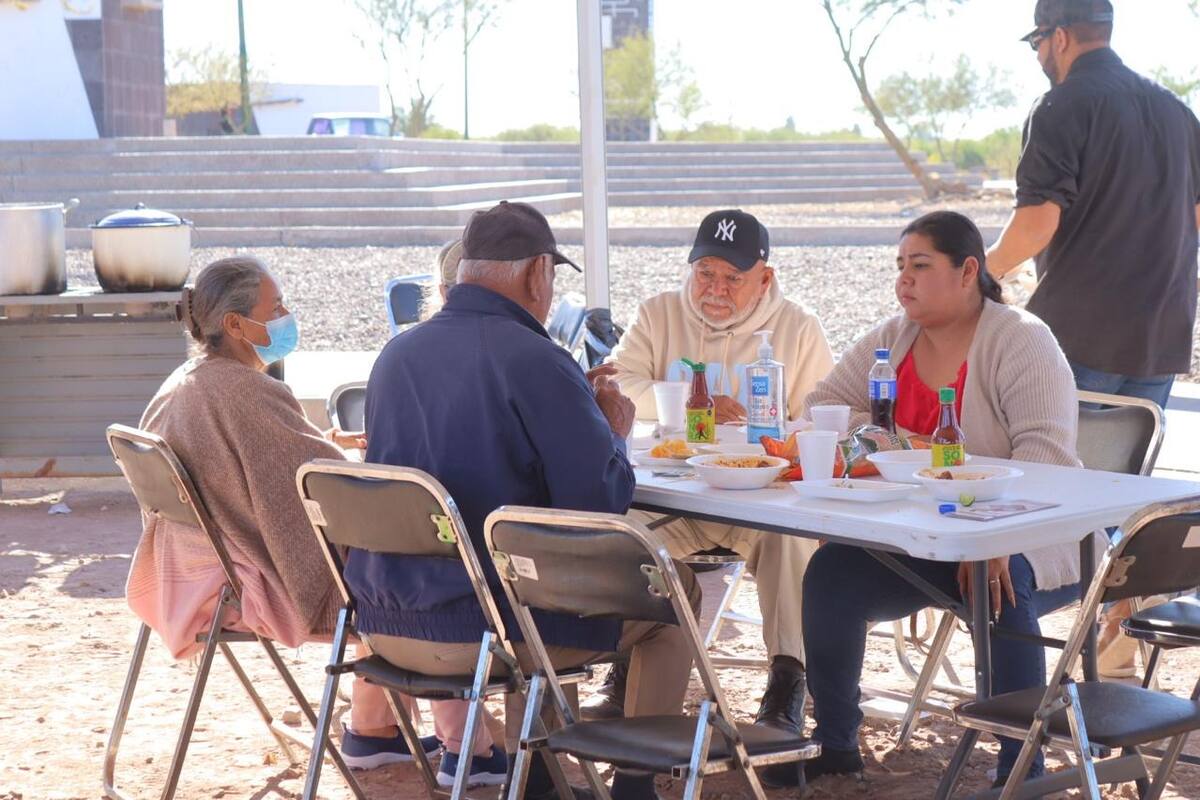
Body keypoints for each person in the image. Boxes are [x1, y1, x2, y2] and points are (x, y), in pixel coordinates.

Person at [360, 201, 700, 800]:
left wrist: (574, 410)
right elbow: (599, 503)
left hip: (386, 626)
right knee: (672, 589)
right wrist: (611, 432)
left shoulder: (396, 356)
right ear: (539, 272)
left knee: (529, 574)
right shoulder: (537, 358)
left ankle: (540, 780)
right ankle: (633, 786)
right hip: (488, 632)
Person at [800, 211, 1095, 788]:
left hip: (1035, 532)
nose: (903, 280)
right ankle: (835, 742)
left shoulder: (1021, 339)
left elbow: (1047, 463)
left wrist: (991, 536)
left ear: (967, 271)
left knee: (999, 584)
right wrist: (900, 442)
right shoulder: (892, 338)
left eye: (919, 265)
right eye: (899, 267)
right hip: (924, 538)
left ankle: (1020, 770)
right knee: (830, 574)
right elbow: (821, 406)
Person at [126, 256, 453, 772]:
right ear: (235, 325)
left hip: (187, 574)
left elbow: (277, 462)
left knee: (376, 560)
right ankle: (455, 738)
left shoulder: (185, 381)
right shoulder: (246, 391)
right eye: (275, 307)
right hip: (237, 581)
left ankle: (374, 728)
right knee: (396, 564)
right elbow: (322, 482)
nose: (286, 316)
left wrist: (332, 445)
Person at [605, 208, 833, 788]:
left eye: (733, 277)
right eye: (705, 272)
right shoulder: (658, 312)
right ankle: (625, 671)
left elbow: (819, 416)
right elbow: (617, 382)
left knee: (792, 539)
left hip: (762, 499)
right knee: (626, 531)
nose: (716, 289)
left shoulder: (798, 327)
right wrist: (691, 397)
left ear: (765, 277)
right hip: (680, 496)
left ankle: (786, 685)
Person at [986, 0, 1200, 411]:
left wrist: (982, 271)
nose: (1038, 56)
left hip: (1082, 336)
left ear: (1059, 37)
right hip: (1161, 334)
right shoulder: (1177, 110)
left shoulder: (1059, 106)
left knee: (1051, 452)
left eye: (1036, 43)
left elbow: (1035, 224)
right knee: (1130, 455)